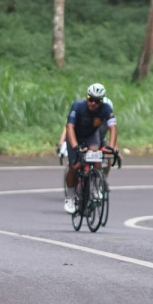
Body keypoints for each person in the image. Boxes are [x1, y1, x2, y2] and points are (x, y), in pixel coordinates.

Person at [64, 83, 117, 213]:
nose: (93, 103)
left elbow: (113, 128)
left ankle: (95, 187)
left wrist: (111, 147)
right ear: (86, 97)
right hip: (75, 135)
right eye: (90, 99)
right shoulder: (78, 106)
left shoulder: (106, 108)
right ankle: (70, 198)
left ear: (102, 101)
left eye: (97, 101)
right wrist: (75, 147)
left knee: (96, 156)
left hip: (91, 136)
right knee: (75, 166)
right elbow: (69, 127)